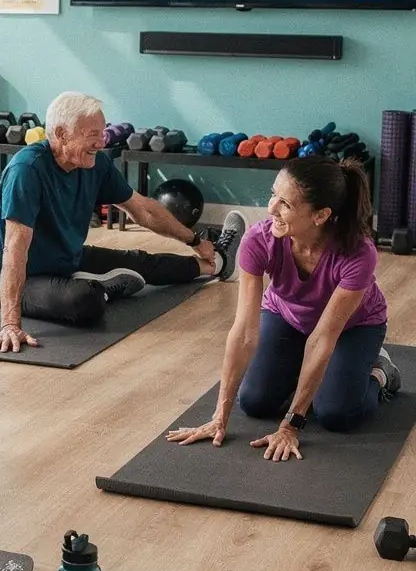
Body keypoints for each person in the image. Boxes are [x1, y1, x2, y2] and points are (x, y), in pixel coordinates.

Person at [167, 156, 398, 461]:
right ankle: (303, 372)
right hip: (288, 316)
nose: (271, 208)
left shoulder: (358, 253)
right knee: (254, 401)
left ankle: (380, 370)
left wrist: (291, 423)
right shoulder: (258, 240)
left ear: (320, 215)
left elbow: (323, 338)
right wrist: (219, 417)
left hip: (352, 328)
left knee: (336, 414)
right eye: (273, 194)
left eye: (285, 204)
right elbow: (244, 332)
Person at [0, 91, 246, 354]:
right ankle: (102, 288)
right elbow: (14, 250)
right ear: (62, 134)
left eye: (103, 132)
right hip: (28, 277)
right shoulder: (27, 171)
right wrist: (10, 324)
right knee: (86, 300)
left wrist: (196, 241)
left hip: (68, 259)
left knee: (139, 260)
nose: (101, 142)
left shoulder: (95, 165)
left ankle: (218, 264)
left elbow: (144, 211)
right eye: (92, 134)